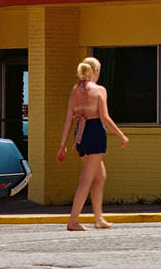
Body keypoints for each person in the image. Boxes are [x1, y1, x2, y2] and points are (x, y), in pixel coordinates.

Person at [57, 57, 129, 231]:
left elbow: (68, 120)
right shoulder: (99, 90)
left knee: (99, 176)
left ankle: (99, 218)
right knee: (86, 179)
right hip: (95, 133)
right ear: (95, 71)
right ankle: (73, 221)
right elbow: (104, 117)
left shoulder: (75, 90)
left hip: (80, 136)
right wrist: (121, 135)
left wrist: (63, 145)